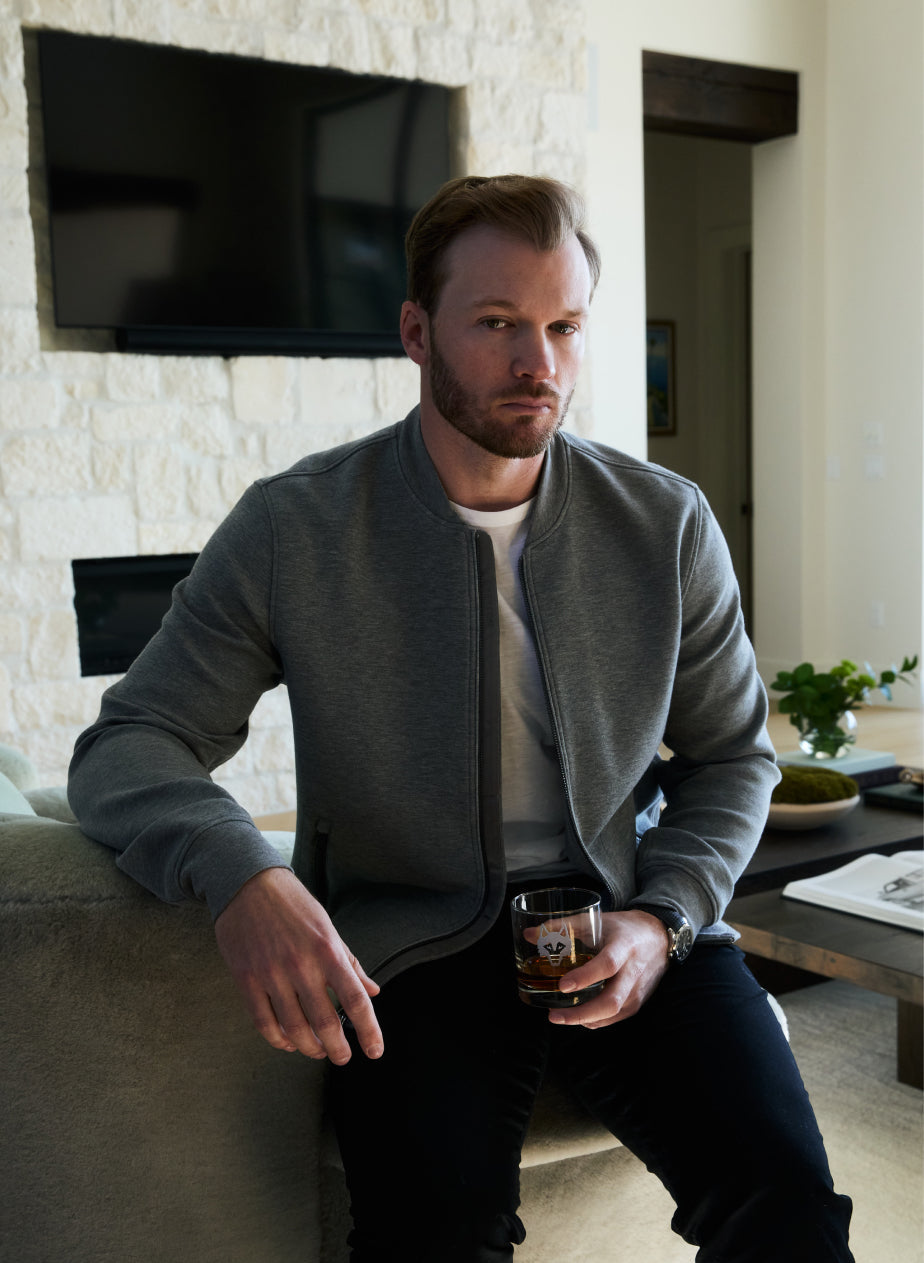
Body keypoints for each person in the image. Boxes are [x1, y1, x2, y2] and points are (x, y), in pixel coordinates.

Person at [69, 174, 854, 1262]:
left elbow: (731, 757)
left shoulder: (663, 522)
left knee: (790, 1203)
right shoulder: (297, 529)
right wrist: (239, 871)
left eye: (563, 328)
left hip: (629, 921)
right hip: (417, 946)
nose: (539, 365)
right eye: (496, 324)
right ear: (415, 331)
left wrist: (664, 918)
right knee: (431, 1237)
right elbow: (130, 742)